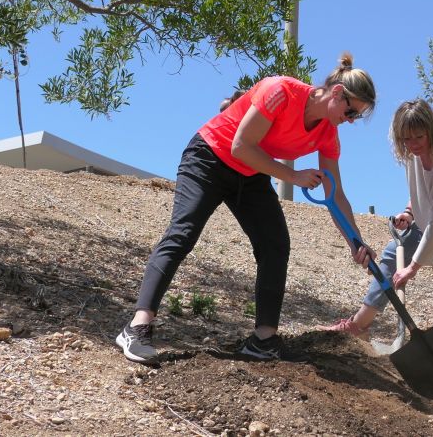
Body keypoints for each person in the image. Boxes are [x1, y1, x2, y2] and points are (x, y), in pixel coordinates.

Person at [116, 53, 377, 364]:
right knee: (183, 233)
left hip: (250, 174)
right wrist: (293, 176)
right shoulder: (280, 91)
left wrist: (356, 243)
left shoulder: (327, 134)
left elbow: (336, 195)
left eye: (356, 117)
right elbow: (241, 145)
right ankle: (137, 327)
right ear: (336, 93)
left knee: (275, 244)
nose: (350, 121)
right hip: (209, 158)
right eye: (351, 112)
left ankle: (263, 340)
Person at [319, 99, 433, 384]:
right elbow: (428, 192)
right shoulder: (415, 150)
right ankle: (359, 326)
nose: (413, 144)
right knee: (390, 255)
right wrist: (410, 212)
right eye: (406, 138)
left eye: (418, 137)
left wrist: (413, 268)